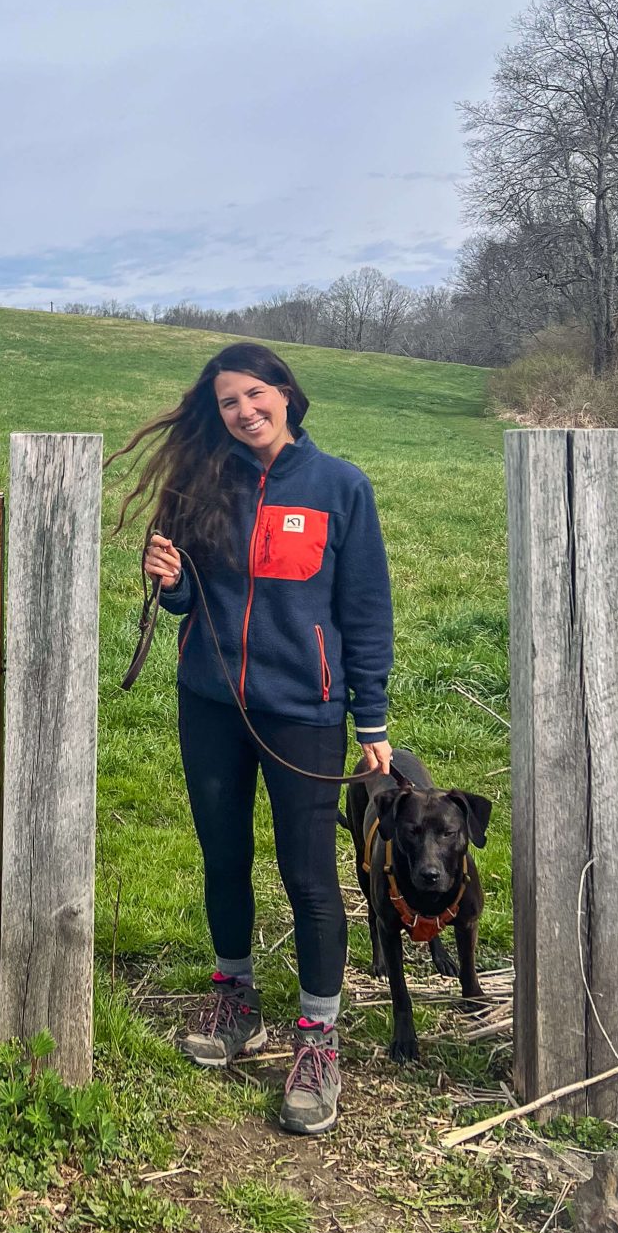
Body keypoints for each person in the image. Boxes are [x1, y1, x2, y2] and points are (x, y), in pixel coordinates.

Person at [112, 341, 393, 1137]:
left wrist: (368, 717)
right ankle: (237, 1002)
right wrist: (171, 581)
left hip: (305, 708)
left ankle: (318, 1038)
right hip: (211, 700)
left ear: (285, 394)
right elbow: (193, 600)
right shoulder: (205, 482)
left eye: (255, 393)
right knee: (223, 856)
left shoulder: (341, 487)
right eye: (229, 401)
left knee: (308, 877)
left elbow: (365, 611)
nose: (244, 411)